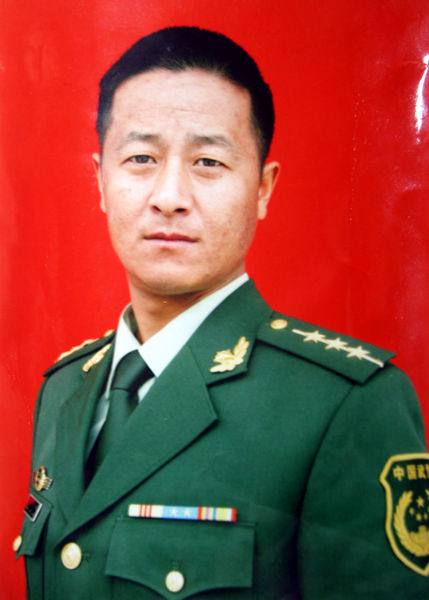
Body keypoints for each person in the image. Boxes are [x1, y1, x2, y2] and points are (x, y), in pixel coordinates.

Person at [14, 26, 429, 599]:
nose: (169, 197)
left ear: (263, 189)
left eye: (208, 161)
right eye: (140, 158)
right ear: (101, 181)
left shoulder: (344, 405)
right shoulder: (65, 390)